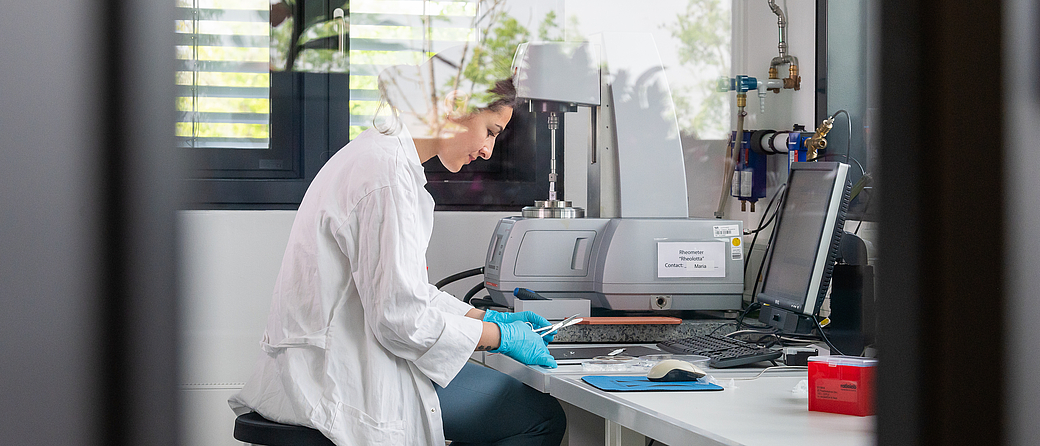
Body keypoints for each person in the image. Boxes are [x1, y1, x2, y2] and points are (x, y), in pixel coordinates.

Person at [229, 49, 567, 446]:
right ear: (457, 104)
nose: (488, 151)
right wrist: (497, 336)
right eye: (491, 131)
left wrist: (479, 316)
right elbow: (400, 317)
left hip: (338, 360)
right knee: (541, 419)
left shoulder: (382, 157)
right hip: (341, 378)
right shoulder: (386, 174)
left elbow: (405, 293)